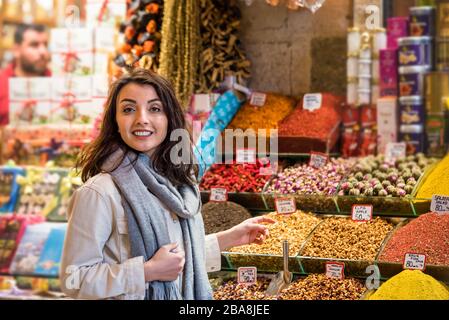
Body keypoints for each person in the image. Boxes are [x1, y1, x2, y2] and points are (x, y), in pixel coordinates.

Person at [60, 68, 275, 300]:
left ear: (169, 119)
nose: (142, 118)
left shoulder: (178, 184)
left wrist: (230, 238)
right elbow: (73, 279)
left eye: (154, 108)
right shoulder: (99, 192)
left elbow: (177, 259)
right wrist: (146, 272)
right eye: (128, 109)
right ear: (115, 121)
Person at [0, 23, 51, 125]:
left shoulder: (58, 83)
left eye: (45, 45)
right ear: (16, 50)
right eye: (34, 45)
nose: (43, 51)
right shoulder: (2, 84)